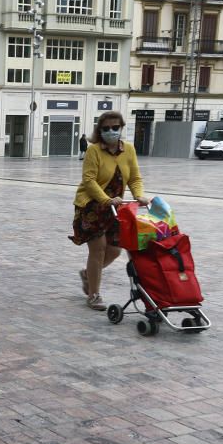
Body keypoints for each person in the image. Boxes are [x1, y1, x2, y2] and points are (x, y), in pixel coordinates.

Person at [70, 111, 151, 310]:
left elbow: (134, 178)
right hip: (92, 205)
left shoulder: (129, 150)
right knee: (98, 249)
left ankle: (88, 274)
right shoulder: (94, 151)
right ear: (100, 130)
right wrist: (106, 200)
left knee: (114, 250)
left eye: (115, 127)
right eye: (106, 128)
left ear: (121, 128)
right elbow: (89, 180)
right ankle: (94, 294)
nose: (111, 131)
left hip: (117, 207)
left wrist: (139, 194)